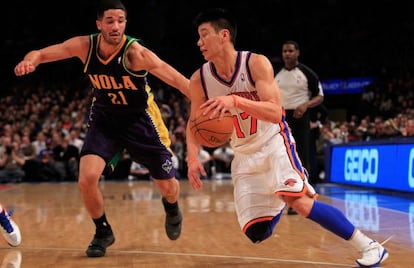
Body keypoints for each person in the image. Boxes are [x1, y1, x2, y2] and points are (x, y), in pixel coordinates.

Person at [185, 8, 389, 268]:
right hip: (243, 153)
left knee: (300, 202)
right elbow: (194, 124)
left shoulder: (255, 64)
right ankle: (281, 194)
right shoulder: (199, 79)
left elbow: (275, 112)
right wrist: (192, 158)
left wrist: (235, 100)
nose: (198, 42)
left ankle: (370, 246)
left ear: (223, 35)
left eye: (204, 35)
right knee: (256, 232)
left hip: (273, 142)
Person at [14, 0, 189, 257]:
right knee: (86, 178)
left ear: (126, 23)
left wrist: (201, 98)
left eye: (120, 20)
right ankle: (103, 231)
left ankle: (172, 207)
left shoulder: (136, 53)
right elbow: (40, 53)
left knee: (168, 187)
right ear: (99, 24)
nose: (116, 25)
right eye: (110, 20)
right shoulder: (85, 46)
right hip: (105, 119)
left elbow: (175, 77)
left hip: (140, 121)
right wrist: (30, 62)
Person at [275, 40, 324, 184]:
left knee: (301, 153)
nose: (287, 54)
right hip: (281, 118)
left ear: (297, 53)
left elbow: (320, 96)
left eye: (290, 51)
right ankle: (284, 185)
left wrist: (306, 105)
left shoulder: (307, 73)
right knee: (281, 152)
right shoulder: (276, 73)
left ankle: (303, 186)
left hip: (301, 116)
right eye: (285, 51)